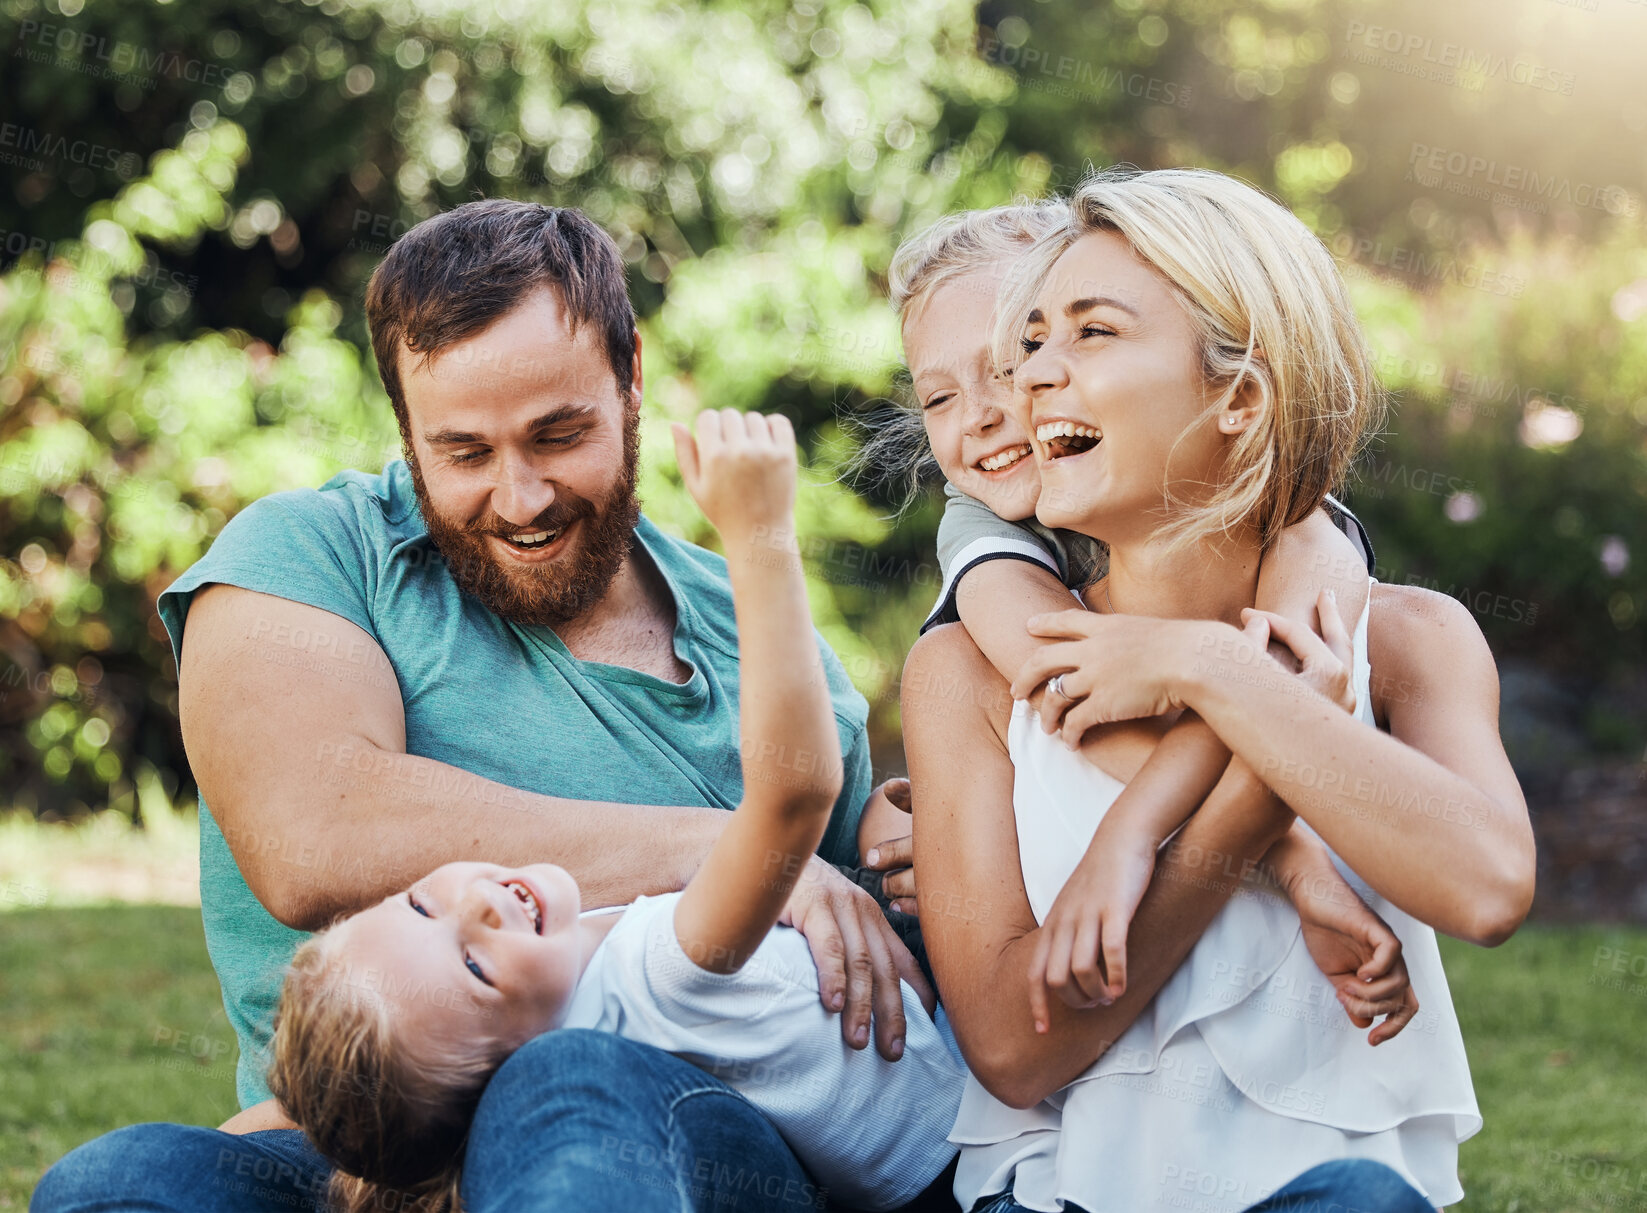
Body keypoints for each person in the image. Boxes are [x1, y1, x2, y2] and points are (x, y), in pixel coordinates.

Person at [33, 201, 928, 1213]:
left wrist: (910, 839)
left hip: (669, 1144)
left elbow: (874, 924)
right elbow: (315, 833)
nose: (521, 496)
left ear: (630, 381)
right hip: (368, 1171)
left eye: (559, 434)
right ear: (406, 429)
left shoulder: (763, 639)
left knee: (563, 1080)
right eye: (464, 453)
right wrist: (740, 848)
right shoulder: (311, 558)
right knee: (125, 1181)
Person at [902, 169, 1534, 1212]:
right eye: (1029, 344)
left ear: (1240, 396)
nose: (1025, 385)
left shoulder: (1415, 640)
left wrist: (1217, 666)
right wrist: (1251, 816)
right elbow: (1016, 1052)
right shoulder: (966, 671)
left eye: (1092, 334)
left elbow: (1489, 887)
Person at [265, 407, 965, 1213]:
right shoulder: (654, 974)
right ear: (520, 1066)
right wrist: (759, 532)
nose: (479, 905)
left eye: (421, 903)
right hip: (971, 1171)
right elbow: (794, 791)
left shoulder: (579, 941)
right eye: (474, 966)